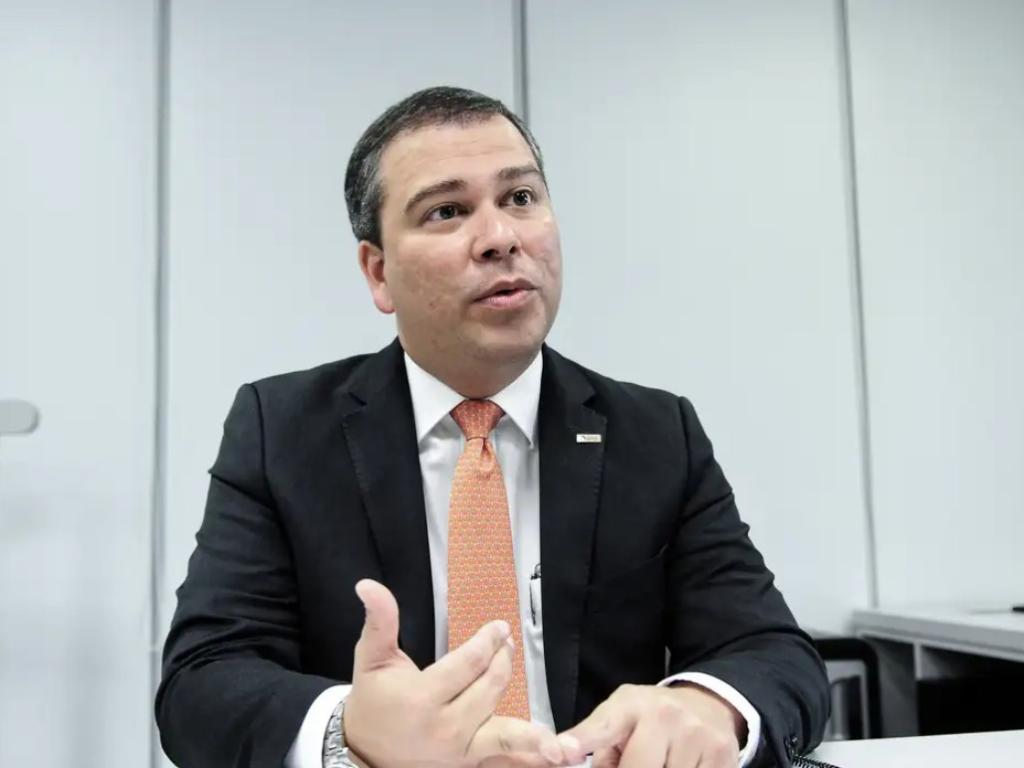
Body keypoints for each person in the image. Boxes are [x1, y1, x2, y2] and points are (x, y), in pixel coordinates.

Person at [156, 86, 829, 768]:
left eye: (520, 198)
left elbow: (770, 651)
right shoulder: (282, 431)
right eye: (447, 211)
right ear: (379, 272)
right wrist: (351, 731)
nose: (501, 238)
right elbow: (202, 682)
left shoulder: (656, 434)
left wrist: (705, 707)